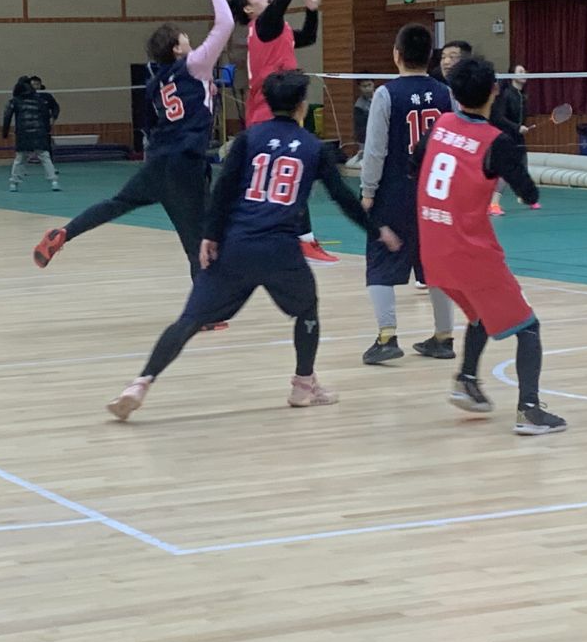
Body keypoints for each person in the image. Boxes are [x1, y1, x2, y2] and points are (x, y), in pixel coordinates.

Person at [107, 70, 399, 420]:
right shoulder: (313, 148)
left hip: (236, 245)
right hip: (280, 250)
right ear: (302, 106)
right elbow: (343, 198)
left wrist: (210, 235)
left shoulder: (247, 139)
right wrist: (376, 230)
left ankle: (140, 383)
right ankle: (303, 385)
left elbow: (223, 190)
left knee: (190, 319)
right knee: (306, 309)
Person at [34, 0, 233, 277]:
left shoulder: (156, 83)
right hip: (184, 165)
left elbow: (163, 120)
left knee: (117, 203)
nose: (189, 41)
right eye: (184, 38)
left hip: (157, 163)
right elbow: (225, 25)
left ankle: (64, 233)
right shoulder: (195, 64)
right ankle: (206, 302)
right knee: (200, 243)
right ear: (176, 49)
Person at [419, 54, 567, 436]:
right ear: (494, 90)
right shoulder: (496, 142)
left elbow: (415, 162)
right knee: (528, 328)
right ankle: (529, 411)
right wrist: (510, 151)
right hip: (470, 252)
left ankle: (467, 379)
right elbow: (529, 192)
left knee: (480, 315)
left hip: (433, 249)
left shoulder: (441, 125)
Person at [360, 23, 459, 364]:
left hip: (395, 192)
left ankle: (387, 337)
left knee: (380, 261)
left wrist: (368, 191)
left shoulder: (386, 94)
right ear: (430, 56)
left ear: (396, 55)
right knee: (436, 264)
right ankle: (444, 337)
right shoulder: (447, 94)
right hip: (436, 191)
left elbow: (375, 150)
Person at [234, 0, 331, 261]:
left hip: (276, 110)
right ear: (249, 10)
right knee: (292, 175)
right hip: (268, 112)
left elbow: (308, 38)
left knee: (278, 179)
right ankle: (301, 241)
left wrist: (313, 9)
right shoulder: (264, 25)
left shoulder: (276, 29)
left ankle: (279, 239)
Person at [2, 75, 60, 191]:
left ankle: (14, 183)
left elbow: (7, 116)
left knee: (20, 159)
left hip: (23, 134)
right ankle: (54, 182)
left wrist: (5, 132)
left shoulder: (14, 101)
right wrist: (47, 129)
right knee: (45, 157)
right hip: (39, 132)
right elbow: (45, 115)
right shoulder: (40, 100)